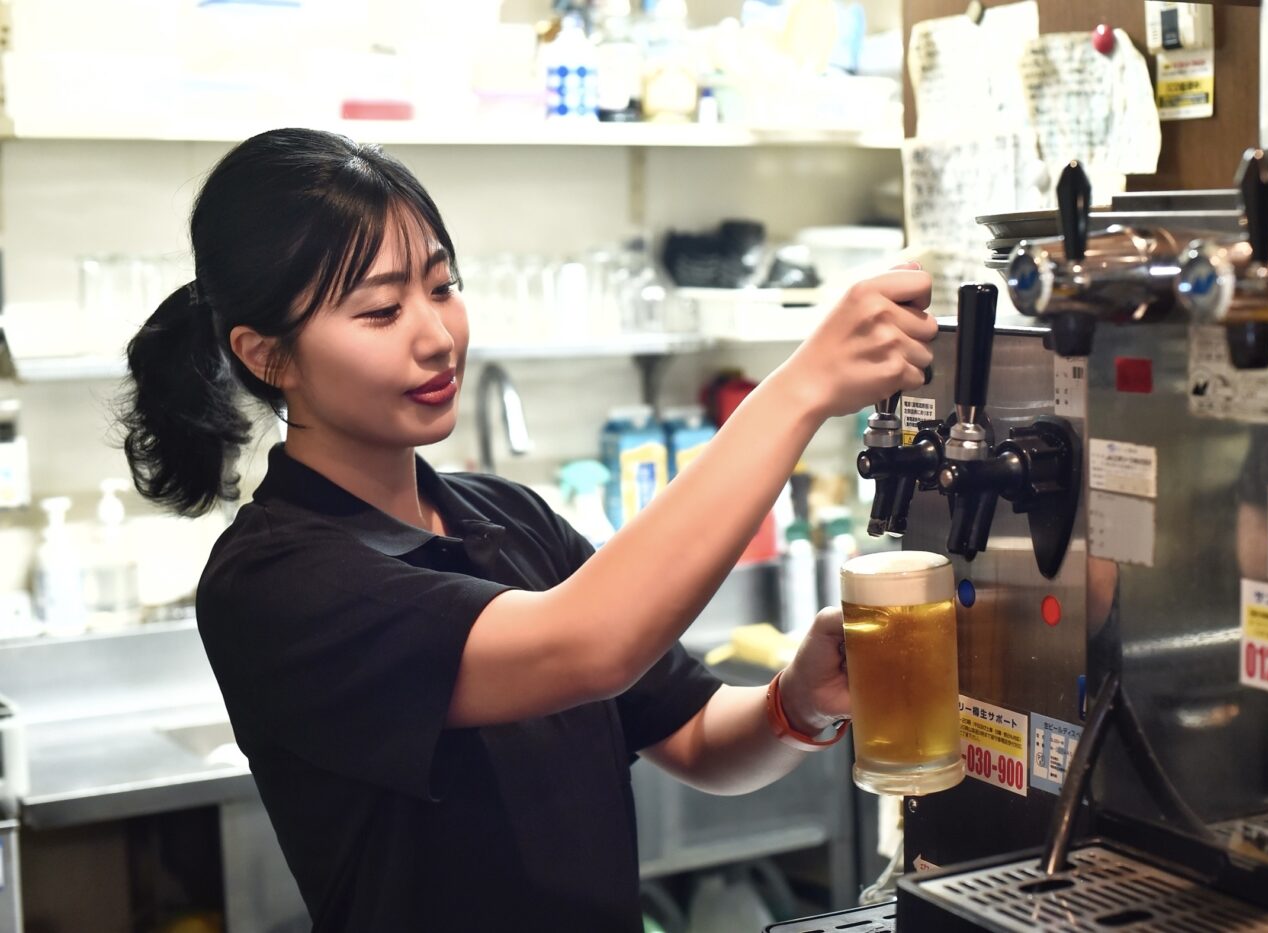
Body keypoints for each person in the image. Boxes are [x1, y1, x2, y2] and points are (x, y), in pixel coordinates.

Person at [119, 127, 935, 932]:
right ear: (267, 355)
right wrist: (798, 390)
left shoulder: (509, 519)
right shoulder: (272, 581)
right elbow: (591, 644)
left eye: (442, 287)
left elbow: (693, 734)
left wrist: (798, 703)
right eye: (381, 310)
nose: (437, 336)